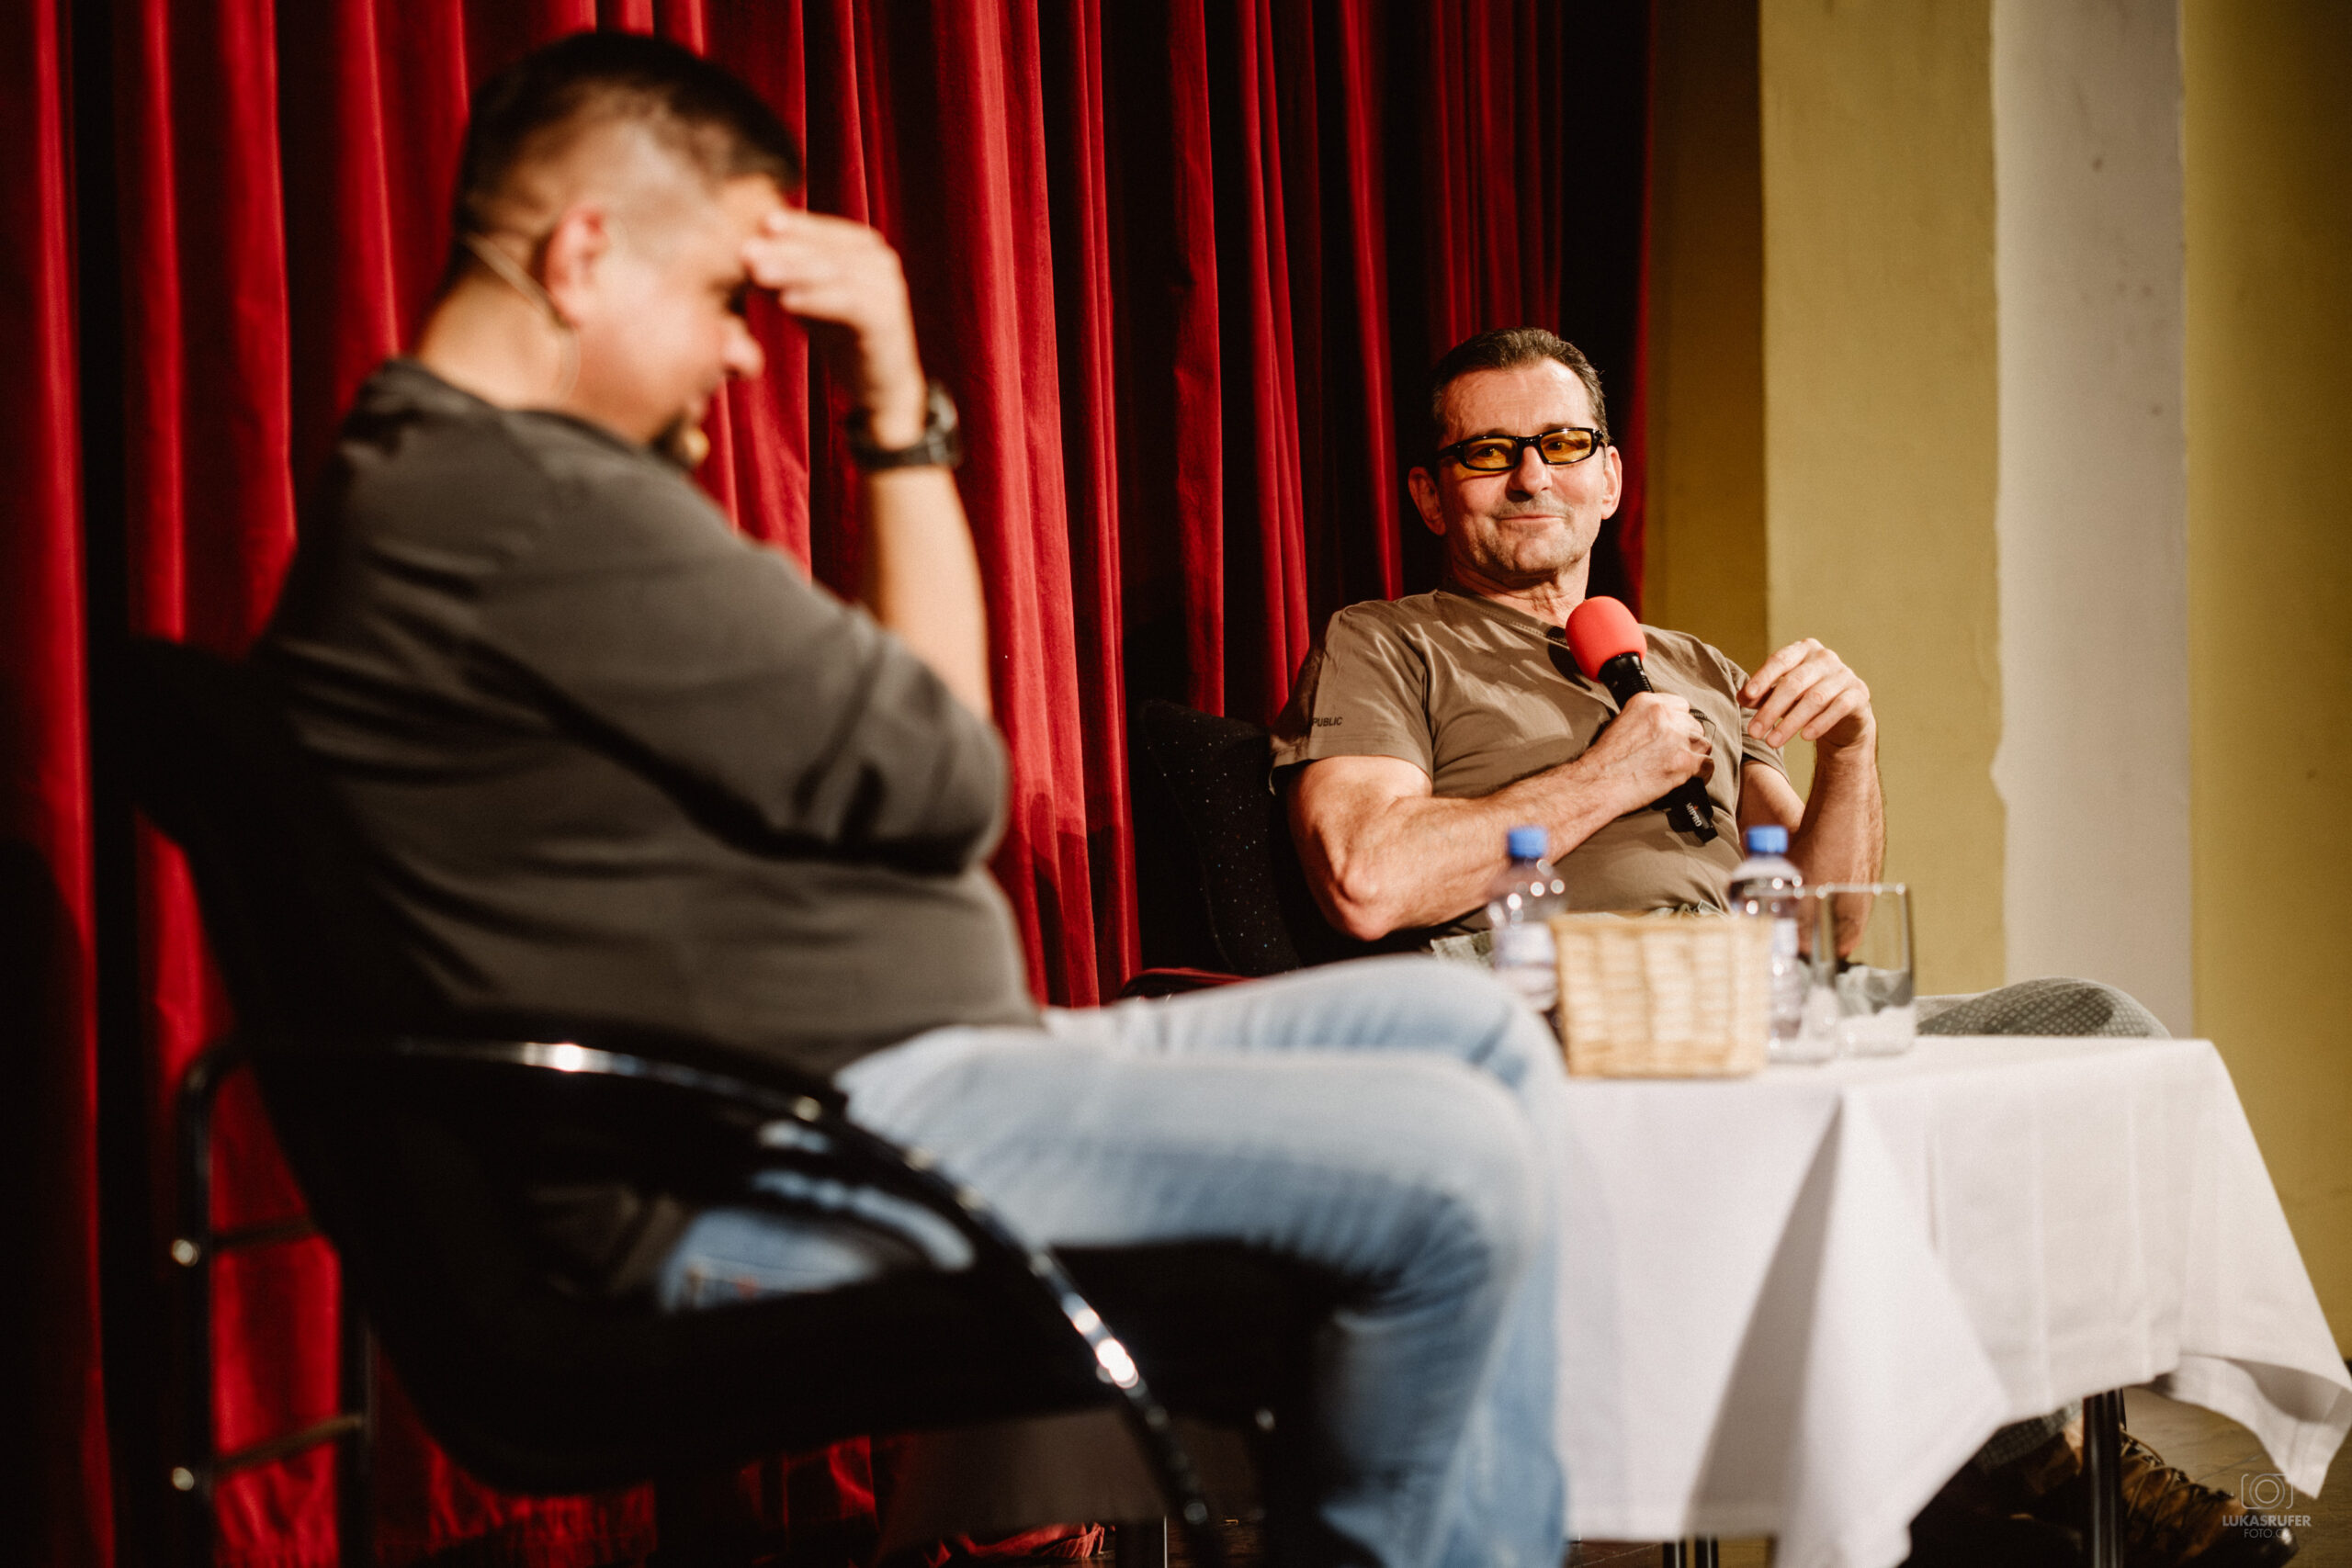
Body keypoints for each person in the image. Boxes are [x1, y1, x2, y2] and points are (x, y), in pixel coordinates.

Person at [254, 34, 1569, 1568]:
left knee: (1477, 1037)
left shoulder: (447, 483)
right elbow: (948, 772)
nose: (742, 354)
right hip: (811, 1151)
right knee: (1455, 1166)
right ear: (582, 256)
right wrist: (895, 412)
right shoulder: (525, 500)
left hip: (904, 1088)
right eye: (721, 298)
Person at [1272, 325, 2294, 1568]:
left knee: (2100, 1032)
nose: (1531, 475)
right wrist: (1607, 777)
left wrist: (1853, 749)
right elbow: (1368, 878)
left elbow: (1831, 927)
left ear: (1610, 476)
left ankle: (2005, 1441)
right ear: (1433, 493)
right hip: (1584, 1029)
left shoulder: (1688, 667)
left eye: (1562, 443)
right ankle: (2021, 1470)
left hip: (1774, 1005)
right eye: (1488, 452)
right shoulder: (1388, 643)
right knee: (1855, 1124)